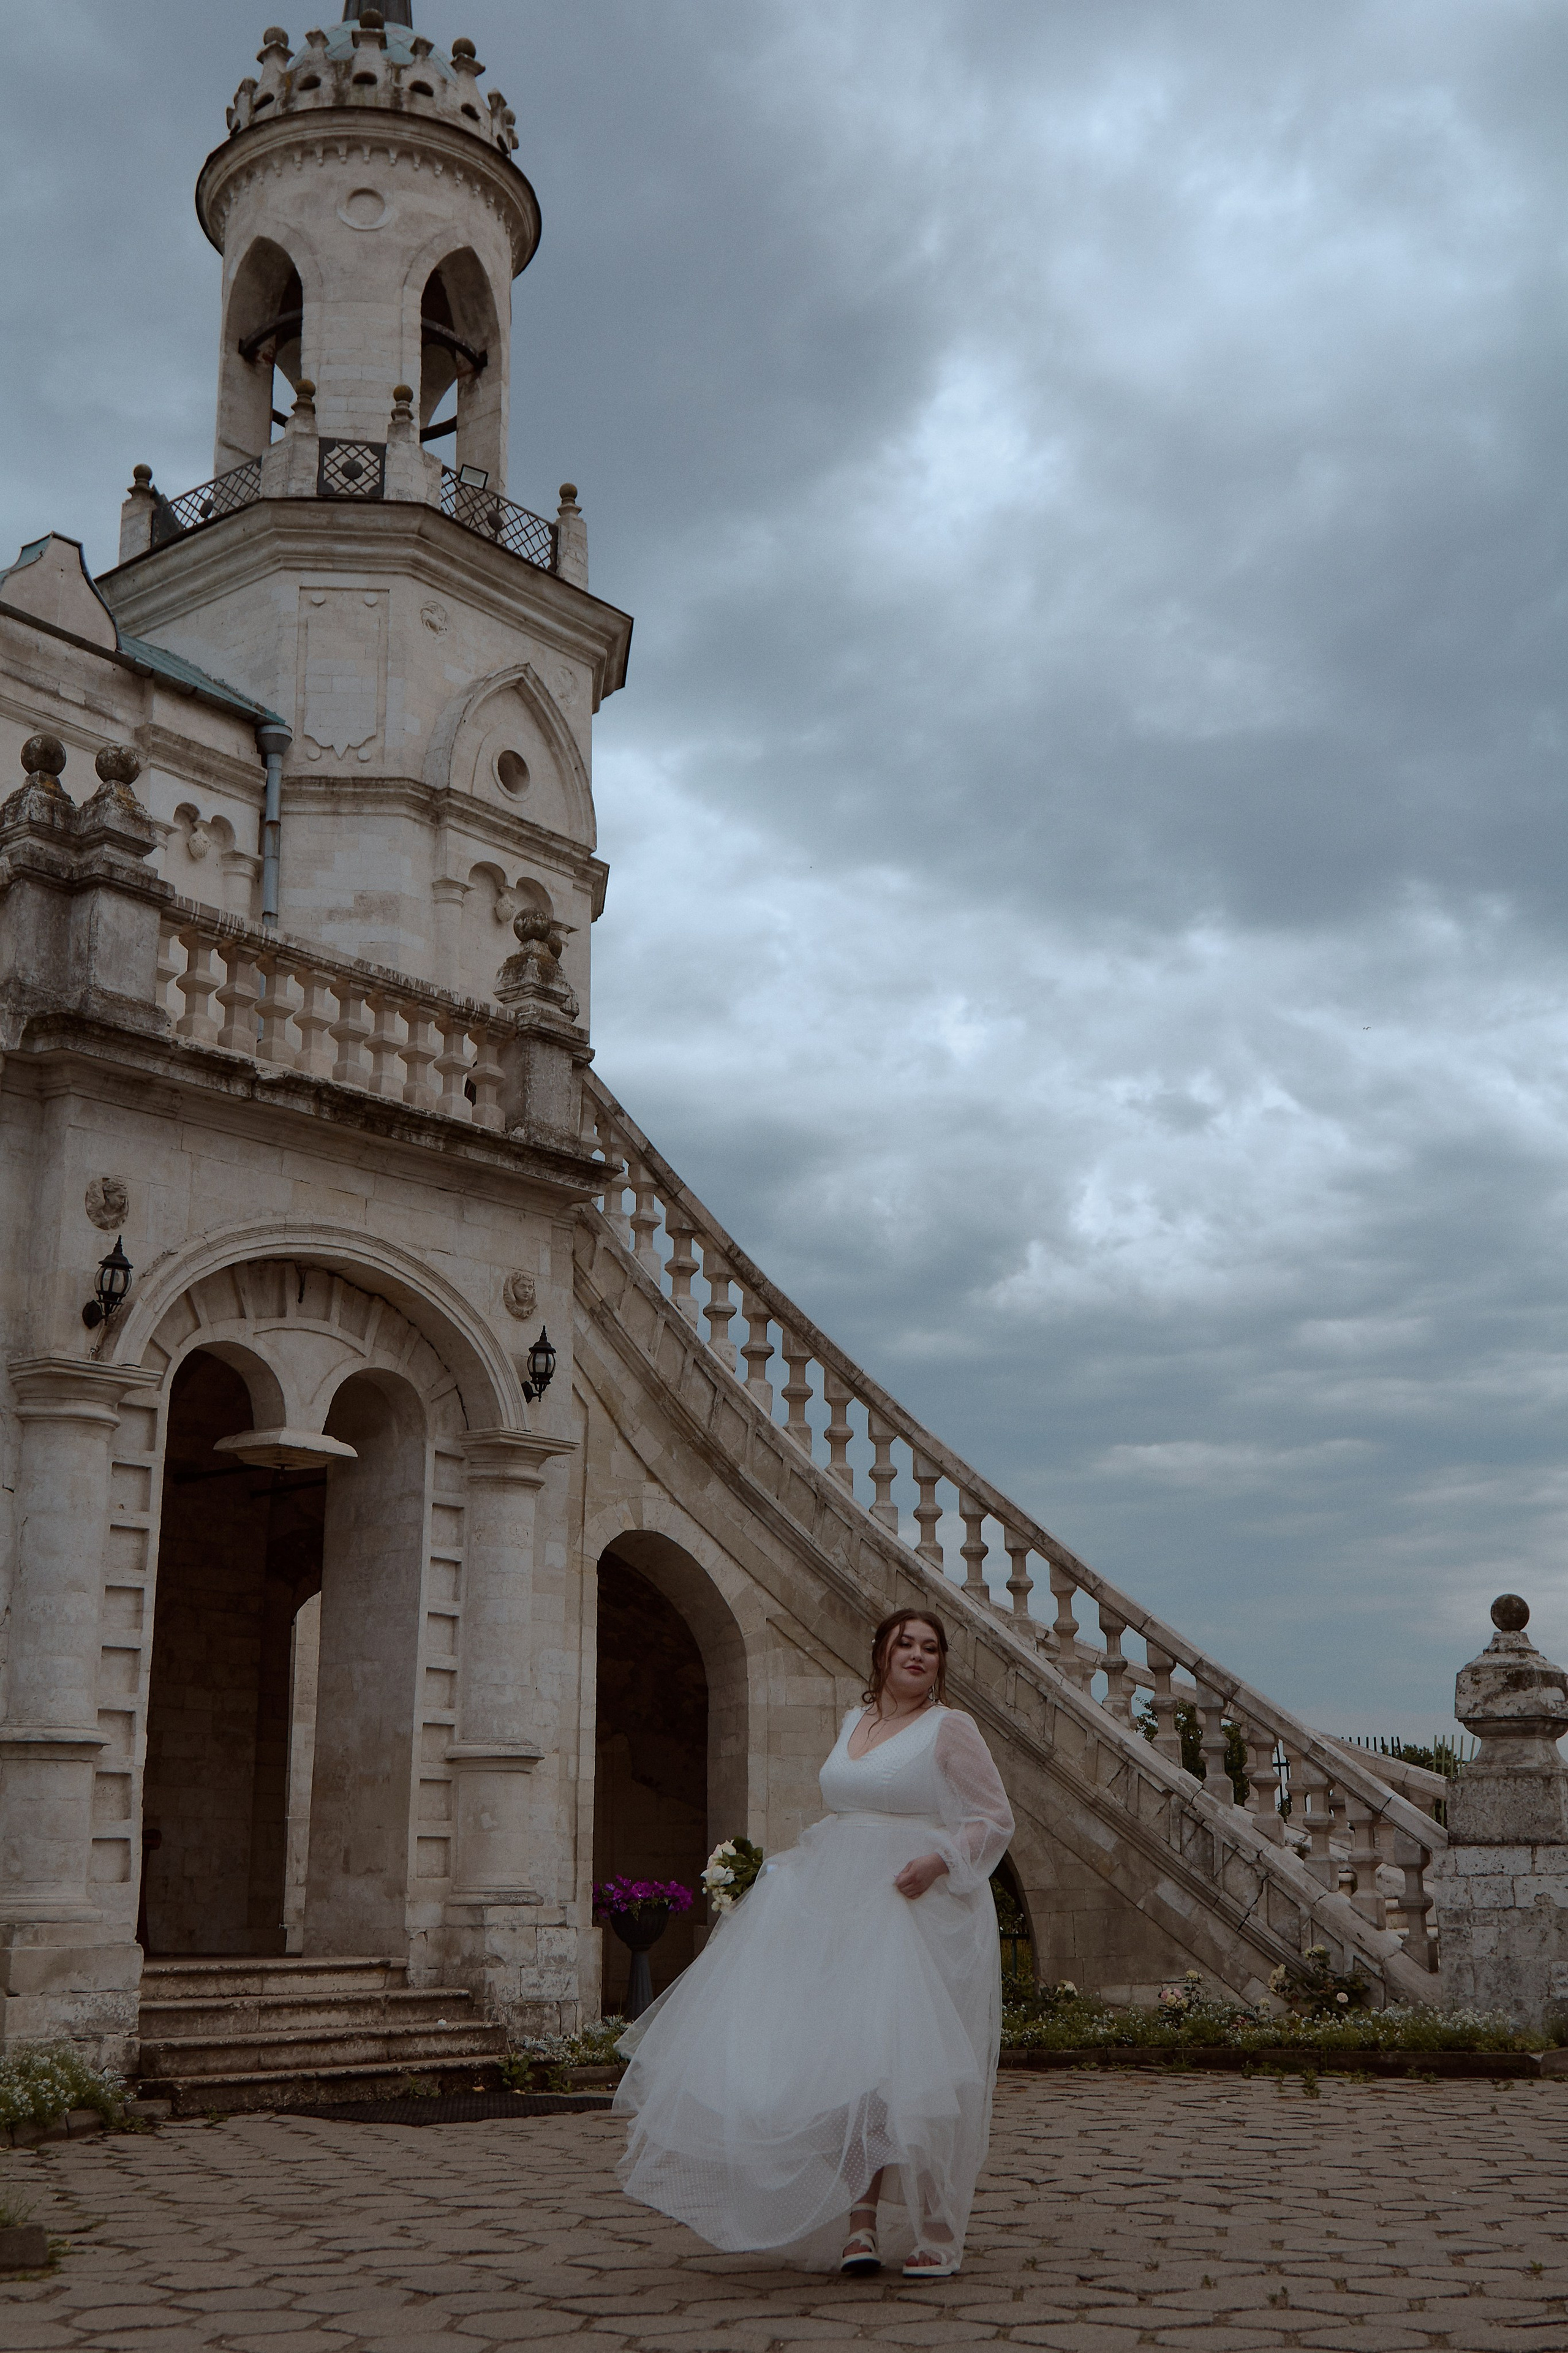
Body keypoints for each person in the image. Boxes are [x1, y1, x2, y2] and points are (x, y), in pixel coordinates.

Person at [612, 1606, 1016, 2278]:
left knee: (907, 2074)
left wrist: (939, 1859)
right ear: (881, 1653)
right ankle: (858, 2227)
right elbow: (842, 1816)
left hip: (910, 1908)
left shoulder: (951, 1729)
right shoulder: (852, 1722)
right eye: (905, 1643)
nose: (917, 1655)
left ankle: (937, 2229)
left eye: (931, 1648)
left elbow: (992, 1818)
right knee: (845, 2072)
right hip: (837, 1908)